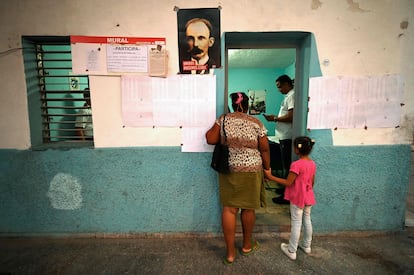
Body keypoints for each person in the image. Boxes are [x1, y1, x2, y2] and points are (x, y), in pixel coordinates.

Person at [205, 92, 271, 265]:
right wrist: (267, 169)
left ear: (233, 104)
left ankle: (230, 254)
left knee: (229, 209)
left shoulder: (224, 119)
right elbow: (264, 149)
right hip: (252, 170)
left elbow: (210, 139)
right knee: (248, 208)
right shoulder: (256, 123)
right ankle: (247, 245)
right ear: (247, 105)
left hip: (230, 168)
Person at [264, 136, 316, 260]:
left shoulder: (296, 165)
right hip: (308, 196)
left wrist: (271, 177)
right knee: (307, 220)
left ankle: (292, 250)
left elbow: (288, 182)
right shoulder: (312, 163)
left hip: (298, 197)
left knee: (296, 223)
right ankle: (307, 246)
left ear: (297, 150)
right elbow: (312, 182)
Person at [263, 74, 295, 204]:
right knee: (285, 166)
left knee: (288, 167)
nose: (279, 89)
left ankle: (287, 196)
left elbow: (291, 116)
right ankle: (284, 191)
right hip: (283, 136)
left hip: (288, 136)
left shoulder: (292, 96)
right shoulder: (288, 96)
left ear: (287, 84)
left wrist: (275, 118)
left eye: (280, 86)